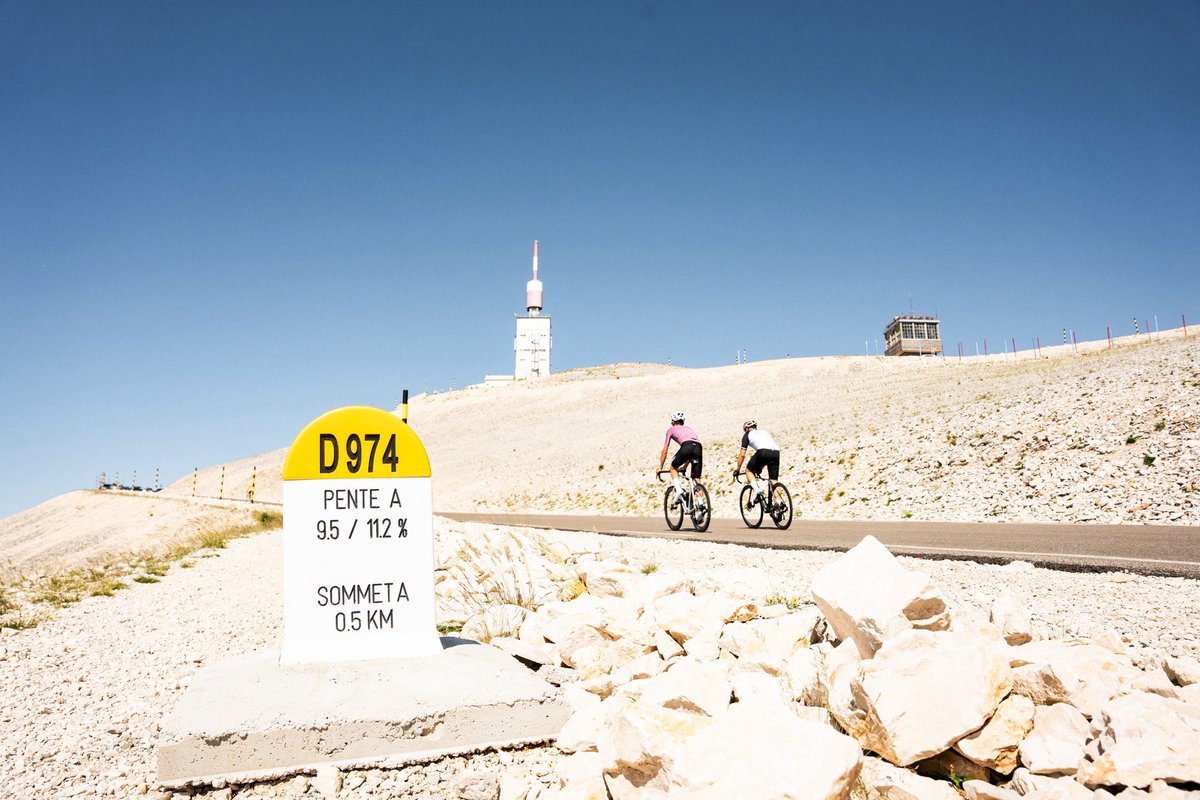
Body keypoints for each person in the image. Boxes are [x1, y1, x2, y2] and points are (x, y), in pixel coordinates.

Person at [734, 420, 780, 499]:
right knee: (774, 481)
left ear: (747, 429)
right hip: (776, 452)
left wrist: (738, 469)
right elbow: (768, 454)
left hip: (763, 452)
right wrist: (760, 467)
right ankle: (779, 502)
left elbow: (742, 455)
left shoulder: (747, 435)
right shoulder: (764, 432)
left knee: (748, 471)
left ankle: (758, 491)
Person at [658, 411, 703, 488]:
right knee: (697, 479)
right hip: (698, 447)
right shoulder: (689, 429)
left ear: (673, 422)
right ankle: (700, 495)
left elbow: (665, 451)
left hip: (687, 446)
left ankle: (679, 490)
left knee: (673, 468)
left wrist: (660, 467)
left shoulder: (671, 430)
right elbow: (691, 454)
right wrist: (684, 467)